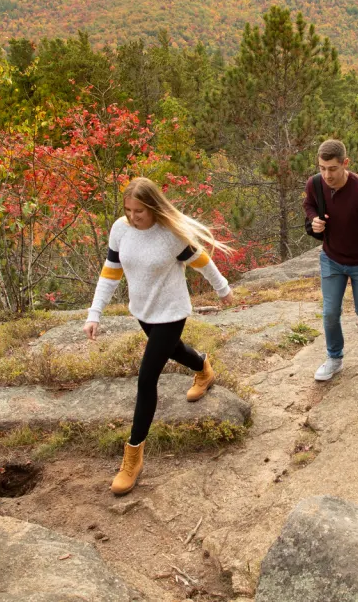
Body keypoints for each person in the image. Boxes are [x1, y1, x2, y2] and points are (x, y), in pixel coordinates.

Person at [84, 177, 234, 496]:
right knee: (175, 351)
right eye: (127, 210)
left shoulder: (170, 235)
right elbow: (110, 273)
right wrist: (94, 313)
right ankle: (203, 368)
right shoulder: (120, 229)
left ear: (153, 207)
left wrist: (222, 289)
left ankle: (133, 457)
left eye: (139, 211)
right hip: (143, 311)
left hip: (172, 312)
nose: (133, 217)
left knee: (146, 377)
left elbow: (202, 262)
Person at [303, 139, 358, 381]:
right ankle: (334, 358)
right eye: (322, 168)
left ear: (345, 163)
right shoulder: (315, 184)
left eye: (332, 168)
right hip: (332, 259)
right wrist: (314, 219)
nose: (326, 175)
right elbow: (309, 204)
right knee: (330, 312)